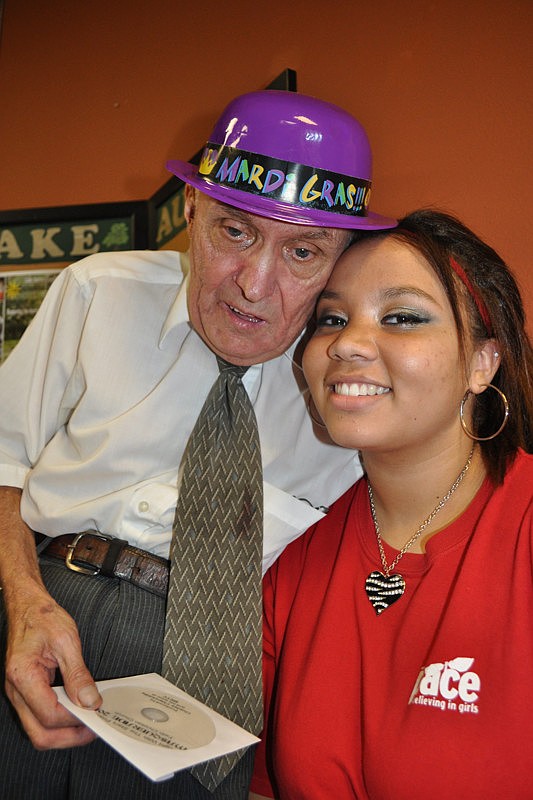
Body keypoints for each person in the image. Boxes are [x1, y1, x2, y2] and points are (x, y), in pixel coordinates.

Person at [0, 89, 396, 799]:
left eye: (301, 252)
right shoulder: (96, 296)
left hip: (218, 670)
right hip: (42, 615)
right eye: (234, 232)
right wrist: (24, 600)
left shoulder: (355, 385)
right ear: (190, 212)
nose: (253, 283)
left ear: (340, 261)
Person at [250, 209, 533, 800]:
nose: (348, 343)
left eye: (402, 317)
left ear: (483, 362)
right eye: (331, 318)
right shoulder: (291, 559)